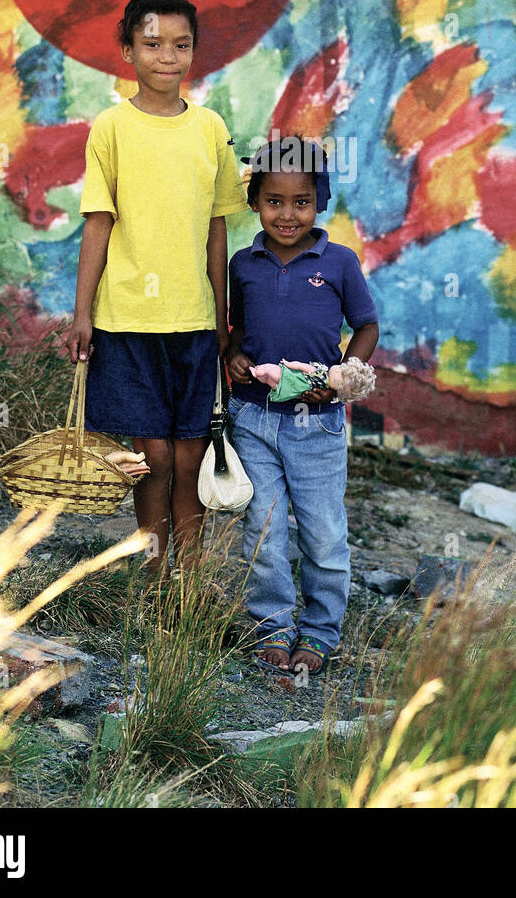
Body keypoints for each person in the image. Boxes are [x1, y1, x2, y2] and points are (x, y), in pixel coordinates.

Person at [66, 0, 248, 579]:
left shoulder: (210, 129)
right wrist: (82, 312)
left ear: (194, 52)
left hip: (193, 318)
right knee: (154, 454)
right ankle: (152, 566)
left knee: (194, 449)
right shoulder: (111, 127)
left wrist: (223, 317)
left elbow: (216, 229)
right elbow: (99, 221)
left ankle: (189, 579)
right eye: (152, 44)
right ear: (127, 51)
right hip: (126, 318)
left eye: (181, 45)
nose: (167, 57)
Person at [226, 136, 379, 677]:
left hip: (318, 424)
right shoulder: (243, 264)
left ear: (321, 202)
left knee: (323, 533)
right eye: (274, 201)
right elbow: (237, 327)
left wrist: (344, 378)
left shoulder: (338, 262)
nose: (287, 214)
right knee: (264, 530)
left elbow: (366, 326)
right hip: (252, 418)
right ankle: (272, 625)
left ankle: (319, 632)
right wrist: (235, 354)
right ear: (255, 202)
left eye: (301, 202)